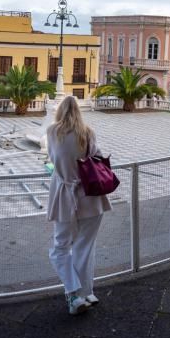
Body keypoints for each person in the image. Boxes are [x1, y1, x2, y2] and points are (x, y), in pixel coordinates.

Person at [46, 96, 111, 315]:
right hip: (91, 199)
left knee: (60, 248)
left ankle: (74, 294)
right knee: (85, 246)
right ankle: (86, 293)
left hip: (65, 197)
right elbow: (98, 157)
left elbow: (54, 159)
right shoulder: (88, 132)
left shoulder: (53, 132)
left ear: (59, 111)